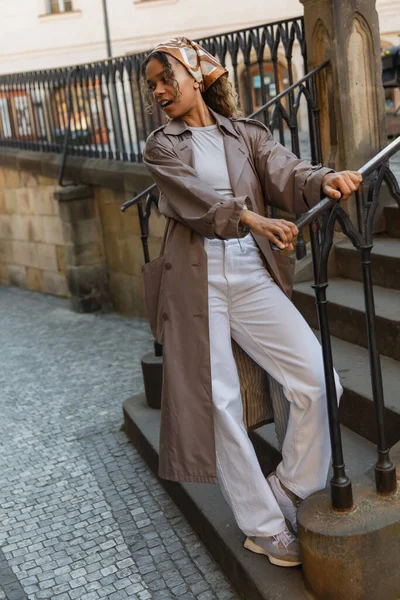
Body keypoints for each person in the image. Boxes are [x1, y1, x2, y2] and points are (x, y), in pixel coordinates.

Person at [140, 37, 362, 568]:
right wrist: (252, 217)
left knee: (317, 377)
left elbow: (288, 171)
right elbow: (193, 199)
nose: (158, 92)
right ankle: (263, 527)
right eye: (151, 85)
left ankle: (288, 487)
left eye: (165, 79)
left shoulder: (246, 135)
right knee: (220, 403)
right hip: (194, 281)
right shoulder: (161, 146)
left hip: (249, 272)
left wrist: (326, 177)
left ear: (196, 75)